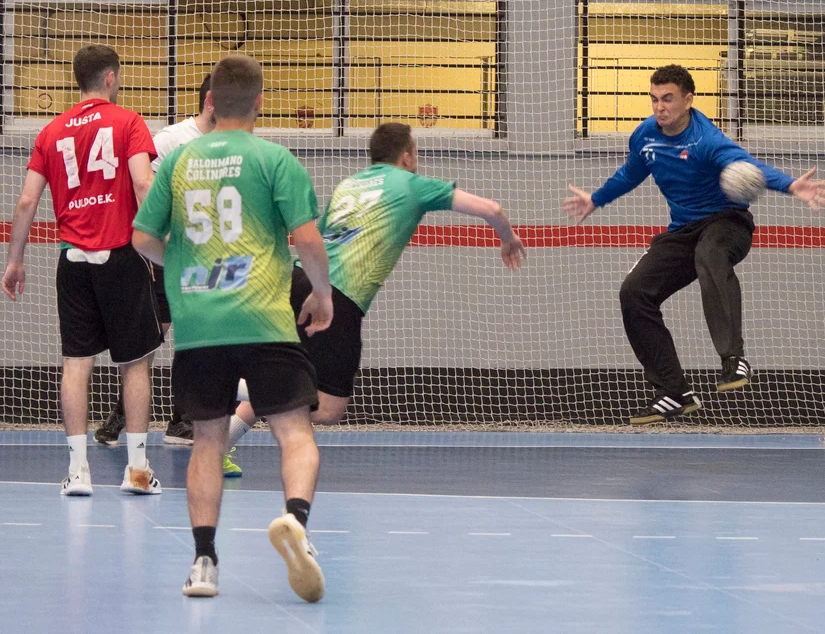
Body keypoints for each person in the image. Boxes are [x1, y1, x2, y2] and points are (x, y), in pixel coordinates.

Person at [132, 54, 333, 601]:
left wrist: (182, 261)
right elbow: (308, 240)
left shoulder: (178, 161)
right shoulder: (275, 159)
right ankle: (296, 521)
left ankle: (204, 563)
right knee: (295, 431)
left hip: (201, 323)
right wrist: (321, 294)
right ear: (260, 102)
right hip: (265, 318)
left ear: (211, 101)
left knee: (207, 441)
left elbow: (142, 238)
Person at [223, 121, 525, 465]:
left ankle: (220, 446)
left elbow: (320, 239)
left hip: (297, 281)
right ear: (407, 156)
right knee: (328, 408)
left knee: (288, 380)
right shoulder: (412, 184)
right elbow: (492, 209)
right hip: (336, 297)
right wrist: (508, 238)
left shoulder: (349, 185)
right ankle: (238, 383)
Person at [563, 64, 825, 425]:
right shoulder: (645, 136)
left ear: (688, 100)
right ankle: (673, 392)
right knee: (634, 293)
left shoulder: (706, 140)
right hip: (682, 231)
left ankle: (733, 360)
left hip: (727, 223)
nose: (660, 107)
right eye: (654, 99)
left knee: (710, 253)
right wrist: (596, 199)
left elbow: (745, 164)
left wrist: (789, 184)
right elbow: (630, 173)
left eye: (668, 99)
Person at [2, 44, 164, 495]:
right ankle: (137, 473)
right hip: (121, 256)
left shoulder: (51, 131)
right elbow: (144, 182)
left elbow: (26, 201)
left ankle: (77, 473)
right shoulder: (128, 122)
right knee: (134, 365)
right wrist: (164, 241)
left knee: (75, 363)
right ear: (110, 78)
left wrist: (14, 261)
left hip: (72, 261)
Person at [95, 74, 216, 447]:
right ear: (211, 100)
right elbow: (144, 191)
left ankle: (182, 419)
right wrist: (158, 241)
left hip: (206, 256)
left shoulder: (232, 145)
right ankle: (121, 415)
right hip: (165, 253)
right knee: (152, 334)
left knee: (197, 335)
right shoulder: (170, 140)